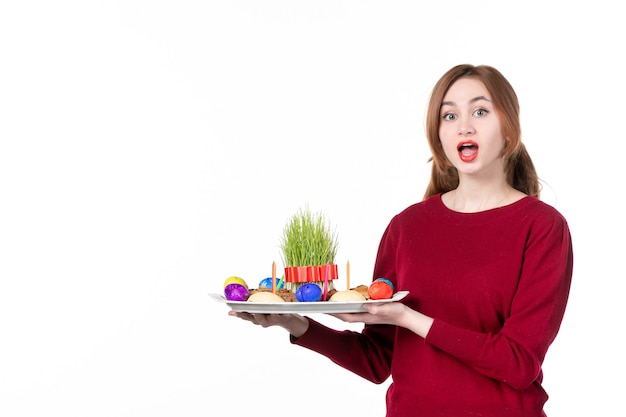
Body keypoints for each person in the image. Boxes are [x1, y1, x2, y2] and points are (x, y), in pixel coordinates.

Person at [228, 64, 574, 417]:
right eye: (449, 115)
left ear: (509, 130)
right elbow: (377, 360)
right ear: (437, 135)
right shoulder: (407, 227)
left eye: (480, 111)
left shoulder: (542, 227)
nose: (464, 125)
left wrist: (410, 319)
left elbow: (517, 364)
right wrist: (293, 322)